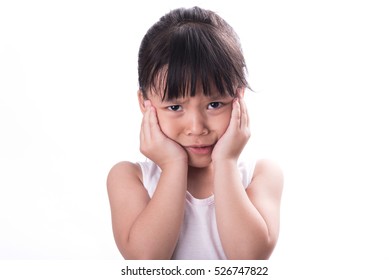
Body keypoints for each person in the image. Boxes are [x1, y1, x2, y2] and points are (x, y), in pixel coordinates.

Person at [107, 6, 283, 260]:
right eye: (175, 107)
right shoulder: (130, 178)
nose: (197, 127)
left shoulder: (261, 175)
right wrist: (173, 164)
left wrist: (226, 161)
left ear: (238, 98)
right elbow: (145, 262)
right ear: (145, 104)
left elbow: (249, 261)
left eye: (214, 104)